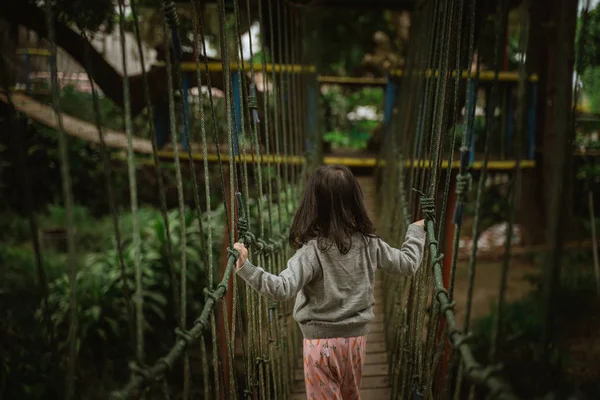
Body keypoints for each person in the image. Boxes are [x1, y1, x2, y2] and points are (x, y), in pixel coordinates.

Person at [234, 165, 426, 399]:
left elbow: (280, 289)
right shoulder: (370, 244)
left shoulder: (311, 252)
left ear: (313, 205)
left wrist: (245, 266)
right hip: (356, 343)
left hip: (319, 346)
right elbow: (408, 264)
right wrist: (415, 232)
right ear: (355, 200)